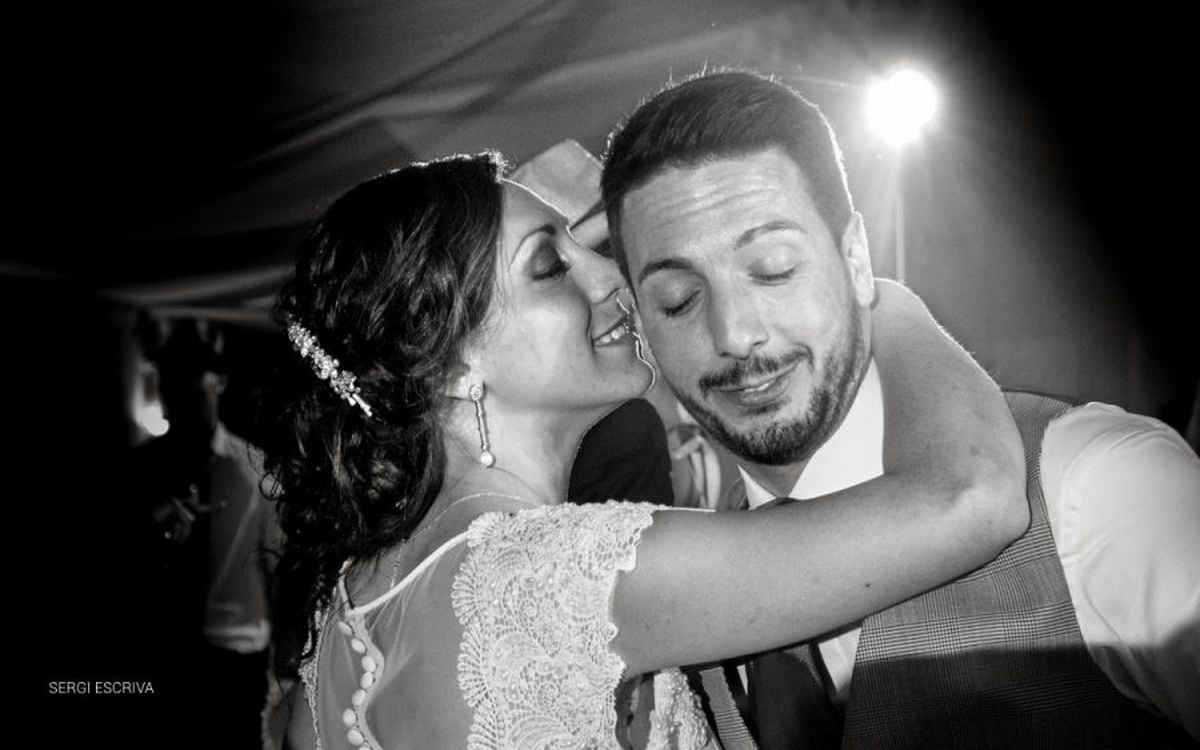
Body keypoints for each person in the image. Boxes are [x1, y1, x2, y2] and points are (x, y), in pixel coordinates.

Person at [257, 152, 1028, 750]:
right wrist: (879, 301)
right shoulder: (564, 576)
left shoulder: (349, 615)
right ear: (453, 365)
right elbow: (972, 497)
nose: (610, 276)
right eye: (550, 267)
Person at [600, 68, 1200, 747]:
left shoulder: (1095, 485)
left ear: (856, 259)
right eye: (679, 300)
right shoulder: (683, 591)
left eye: (774, 269)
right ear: (641, 322)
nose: (735, 334)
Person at [124, 319, 281, 750]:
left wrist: (285, 665)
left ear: (219, 382)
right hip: (163, 655)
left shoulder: (255, 467)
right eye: (168, 378)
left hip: (236, 660)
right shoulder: (139, 469)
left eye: (190, 377)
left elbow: (280, 566)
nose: (176, 390)